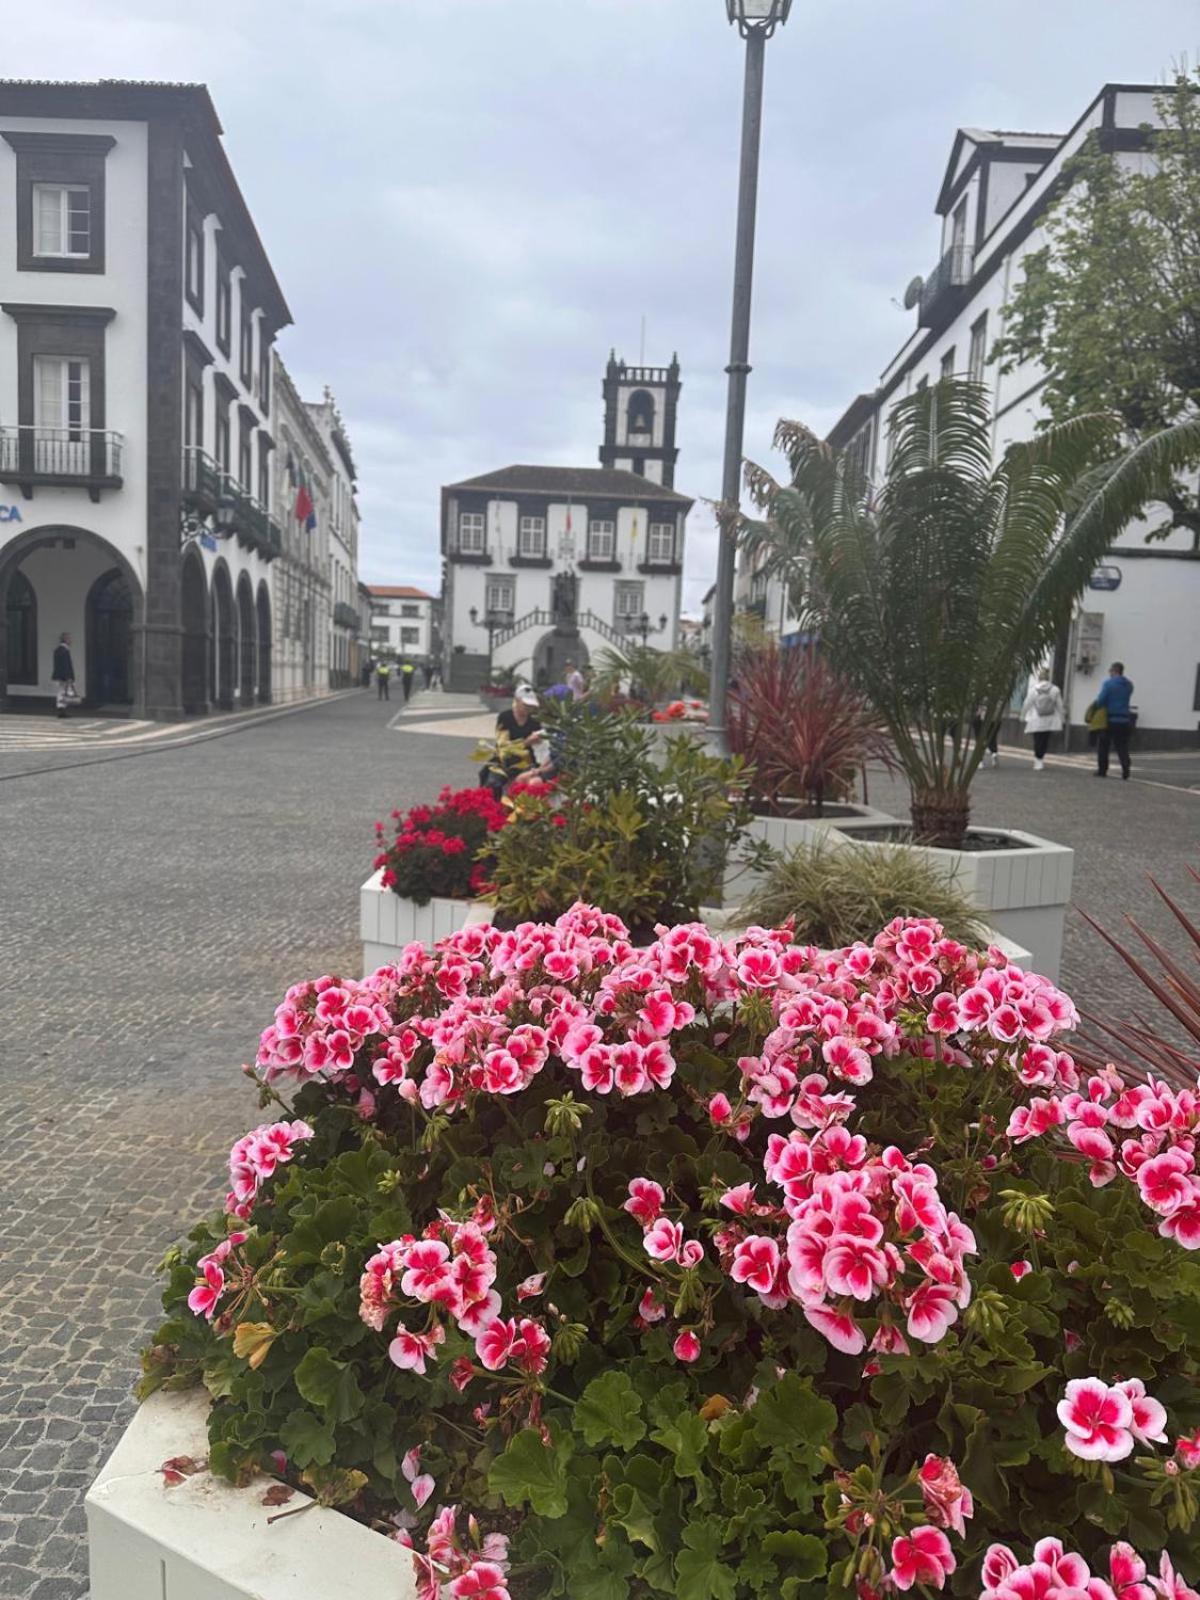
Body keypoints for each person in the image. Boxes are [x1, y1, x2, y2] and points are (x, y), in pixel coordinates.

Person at [479, 685, 543, 797]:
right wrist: (526, 742)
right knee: (494, 783)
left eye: (531, 706)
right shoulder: (505, 717)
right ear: (517, 701)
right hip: (504, 761)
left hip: (527, 761)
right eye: (525, 705)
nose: (528, 709)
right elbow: (503, 746)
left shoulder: (534, 722)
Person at [1090, 662, 1134, 779]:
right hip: (1124, 719)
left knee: (1104, 745)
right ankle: (1126, 769)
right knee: (1122, 746)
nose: (1109, 673)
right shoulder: (1129, 685)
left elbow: (1101, 701)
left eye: (1110, 671)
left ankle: (1102, 770)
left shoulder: (1108, 684)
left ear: (1114, 671)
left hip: (1110, 719)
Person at [1020, 676, 1065, 771]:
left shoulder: (1033, 689)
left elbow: (1027, 703)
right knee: (1045, 740)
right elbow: (1059, 705)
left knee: (1037, 739)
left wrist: (1023, 715)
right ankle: (1041, 758)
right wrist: (1062, 717)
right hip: (1049, 719)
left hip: (1036, 719)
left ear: (1039, 678)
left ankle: (1037, 760)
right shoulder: (1055, 689)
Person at [52, 632, 77, 718]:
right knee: (65, 693)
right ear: (65, 640)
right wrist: (68, 677)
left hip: (58, 676)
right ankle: (62, 710)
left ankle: (61, 709)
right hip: (64, 676)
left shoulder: (57, 650)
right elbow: (66, 666)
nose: (71, 640)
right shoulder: (65, 651)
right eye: (69, 639)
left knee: (61, 692)